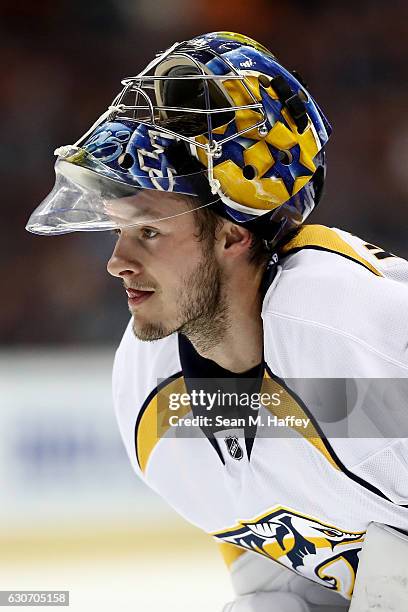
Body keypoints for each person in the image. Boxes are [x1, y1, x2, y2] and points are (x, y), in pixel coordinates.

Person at [26, 32, 408, 612]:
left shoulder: (354, 338)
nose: (116, 262)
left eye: (148, 230)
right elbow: (283, 556)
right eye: (118, 230)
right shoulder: (148, 389)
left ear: (233, 233)